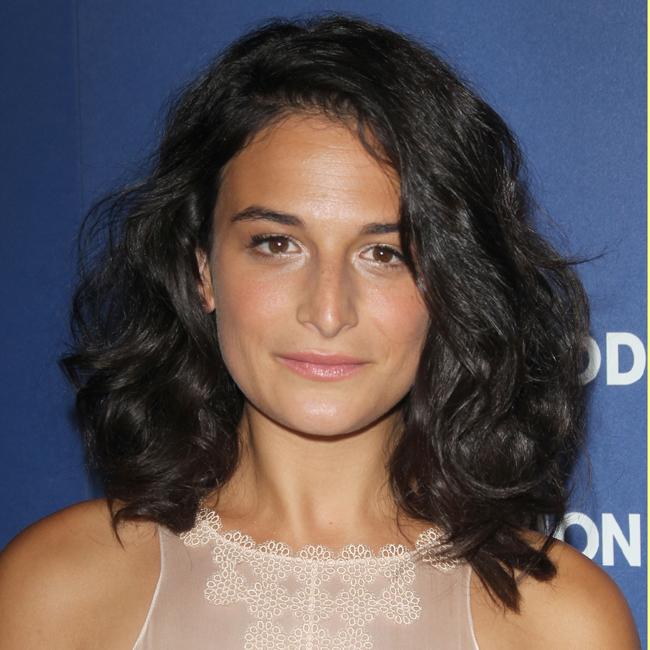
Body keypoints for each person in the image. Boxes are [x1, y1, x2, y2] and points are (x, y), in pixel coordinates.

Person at [0, 14, 640, 650]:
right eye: (277, 244)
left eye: (385, 254)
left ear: (450, 286)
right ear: (203, 270)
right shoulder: (55, 590)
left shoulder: (558, 622)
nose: (328, 311)